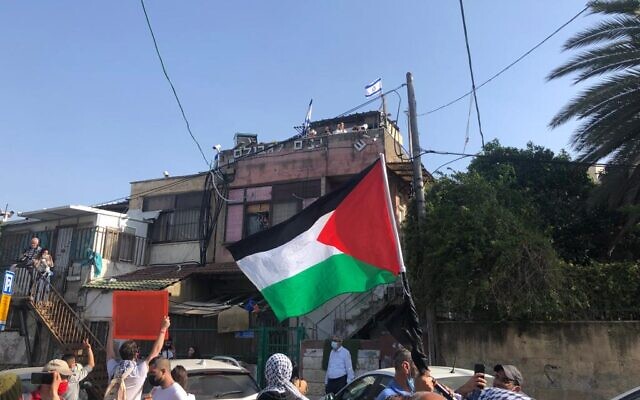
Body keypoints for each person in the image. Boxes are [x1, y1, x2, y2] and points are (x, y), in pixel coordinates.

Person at [106, 316, 171, 400]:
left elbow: (109, 352)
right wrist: (163, 328)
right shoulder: (139, 371)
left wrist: (111, 327)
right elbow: (155, 352)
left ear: (121, 352)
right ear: (136, 354)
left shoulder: (113, 368)